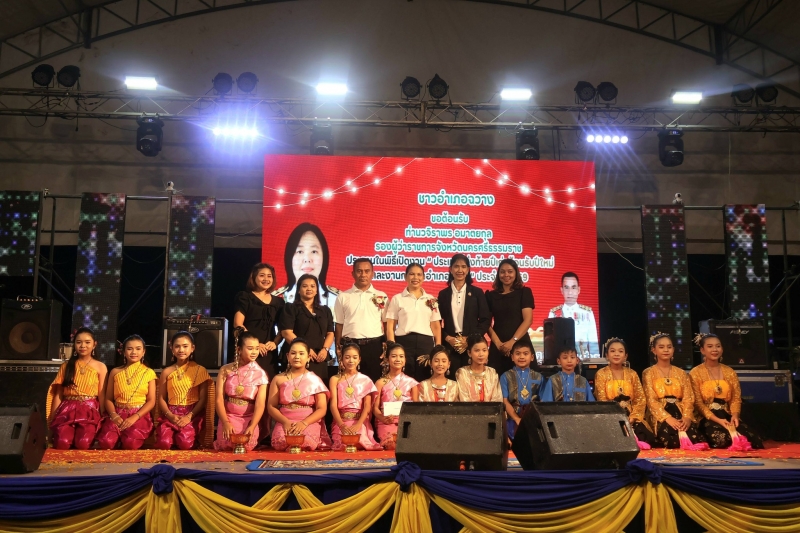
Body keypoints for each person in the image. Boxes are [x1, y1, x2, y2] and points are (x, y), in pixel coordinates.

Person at [690, 333, 764, 449]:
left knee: (754, 440)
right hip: (707, 417)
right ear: (702, 350)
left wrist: (735, 415)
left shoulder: (729, 372)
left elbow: (735, 398)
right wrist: (718, 420)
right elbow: (698, 403)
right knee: (722, 439)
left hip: (726, 413)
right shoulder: (695, 373)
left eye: (718, 346)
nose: (715, 349)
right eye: (710, 346)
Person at [642, 332, 706, 449]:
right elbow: (651, 400)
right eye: (661, 347)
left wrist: (687, 416)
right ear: (654, 350)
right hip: (660, 413)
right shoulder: (648, 373)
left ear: (673, 349)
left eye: (669, 347)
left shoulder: (681, 373)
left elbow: (688, 397)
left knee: (693, 437)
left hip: (679, 410)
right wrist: (667, 418)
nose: (666, 350)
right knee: (671, 440)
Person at [48, 327, 107, 450]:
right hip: (67, 409)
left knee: (83, 443)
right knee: (62, 443)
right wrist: (53, 419)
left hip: (89, 410)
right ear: (74, 344)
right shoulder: (66, 366)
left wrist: (103, 418)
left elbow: (102, 394)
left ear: (94, 344)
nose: (83, 346)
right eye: (79, 342)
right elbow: (59, 394)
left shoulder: (100, 366)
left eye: (87, 342)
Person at [269, 338, 333, 451]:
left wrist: (304, 423)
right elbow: (271, 406)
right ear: (287, 356)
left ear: (308, 357)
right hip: (285, 421)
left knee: (305, 441)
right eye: (293, 353)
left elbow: (322, 409)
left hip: (308, 422)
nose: (297, 357)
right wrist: (285, 422)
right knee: (281, 442)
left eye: (301, 353)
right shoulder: (278, 379)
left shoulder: (315, 380)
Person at [594, 338, 656, 449]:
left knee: (646, 437)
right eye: (612, 351)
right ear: (607, 355)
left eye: (620, 351)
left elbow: (640, 399)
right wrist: (617, 417)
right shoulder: (601, 374)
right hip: (611, 415)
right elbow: (602, 399)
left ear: (625, 356)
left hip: (631, 415)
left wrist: (633, 417)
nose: (616, 354)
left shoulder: (632, 374)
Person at [97, 335, 157, 450]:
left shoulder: (149, 372)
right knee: (106, 443)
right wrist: (114, 415)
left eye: (138, 349)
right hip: (117, 413)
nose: (134, 352)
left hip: (139, 415)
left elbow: (151, 401)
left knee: (130, 444)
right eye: (129, 349)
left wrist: (135, 417)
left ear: (143, 352)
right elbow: (108, 398)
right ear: (124, 352)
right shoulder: (115, 372)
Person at [154, 331, 211, 450]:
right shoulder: (167, 372)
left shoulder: (200, 370)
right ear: (171, 348)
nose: (181, 350)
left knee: (185, 444)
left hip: (192, 413)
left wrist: (189, 416)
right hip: (171, 413)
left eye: (185, 346)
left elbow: (203, 399)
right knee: (164, 443)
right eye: (177, 346)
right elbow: (161, 398)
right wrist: (170, 416)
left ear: (192, 348)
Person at [334, 257, 388, 382]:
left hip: (374, 346)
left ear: (372, 273)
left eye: (367, 271)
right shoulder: (343, 296)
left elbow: (386, 323)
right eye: (359, 271)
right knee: (349, 382)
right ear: (353, 274)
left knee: (374, 381)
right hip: (350, 345)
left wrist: (387, 348)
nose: (363, 275)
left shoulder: (381, 296)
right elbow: (339, 324)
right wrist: (338, 348)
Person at [385, 262, 442, 380]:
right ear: (405, 277)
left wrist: (438, 347)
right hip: (404, 342)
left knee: (425, 376)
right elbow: (390, 326)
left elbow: (436, 326)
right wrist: (392, 347)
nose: (415, 277)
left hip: (425, 344)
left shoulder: (430, 299)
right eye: (411, 274)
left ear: (424, 277)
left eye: (419, 275)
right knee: (404, 377)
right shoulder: (397, 299)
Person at [213, 331, 269, 452]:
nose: (254, 352)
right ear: (239, 349)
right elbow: (219, 399)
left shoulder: (261, 374)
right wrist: (225, 422)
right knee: (225, 445)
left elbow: (260, 404)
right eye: (250, 348)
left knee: (246, 446)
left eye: (257, 348)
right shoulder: (225, 370)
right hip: (229, 416)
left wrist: (253, 425)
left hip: (248, 419)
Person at [438, 254, 491, 374]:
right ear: (450, 269)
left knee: (471, 379)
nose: (460, 270)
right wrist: (448, 338)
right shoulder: (443, 294)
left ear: (468, 270)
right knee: (452, 378)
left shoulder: (477, 293)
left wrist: (469, 339)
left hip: (472, 345)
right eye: (456, 266)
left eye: (463, 266)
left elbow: (485, 320)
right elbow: (437, 322)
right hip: (450, 345)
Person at [279, 274, 335, 383]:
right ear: (298, 290)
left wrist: (325, 349)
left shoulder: (325, 310)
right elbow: (286, 332)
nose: (309, 289)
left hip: (319, 357)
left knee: (318, 387)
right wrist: (306, 349)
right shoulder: (290, 308)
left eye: (312, 286)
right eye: (305, 286)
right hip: (297, 356)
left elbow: (330, 333)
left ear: (317, 290)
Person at [273, 222, 339, 314]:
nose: (307, 259)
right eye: (300, 252)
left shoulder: (337, 299)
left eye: (314, 251)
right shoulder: (277, 299)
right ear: (289, 257)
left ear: (324, 257)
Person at [233, 262, 284, 379]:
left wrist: (275, 343)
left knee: (268, 382)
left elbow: (283, 328)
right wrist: (255, 345)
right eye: (262, 275)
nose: (266, 279)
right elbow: (238, 323)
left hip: (268, 352)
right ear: (254, 277)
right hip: (248, 349)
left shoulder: (279, 302)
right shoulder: (245, 297)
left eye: (269, 276)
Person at [329, 343, 381, 451]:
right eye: (347, 357)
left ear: (359, 359)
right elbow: (333, 405)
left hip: (360, 421)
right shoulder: (335, 379)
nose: (351, 361)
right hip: (341, 421)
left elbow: (367, 406)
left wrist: (358, 424)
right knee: (343, 444)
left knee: (359, 442)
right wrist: (341, 425)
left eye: (354, 357)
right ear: (341, 359)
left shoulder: (365, 380)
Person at [487, 259, 535, 375]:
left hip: (520, 344)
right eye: (502, 272)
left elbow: (528, 320)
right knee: (496, 381)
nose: (506, 275)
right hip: (498, 346)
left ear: (516, 273)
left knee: (525, 381)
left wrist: (512, 341)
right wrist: (498, 344)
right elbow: (486, 322)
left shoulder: (524, 292)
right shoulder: (490, 295)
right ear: (498, 274)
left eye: (510, 271)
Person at [373, 343, 419, 449]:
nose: (398, 359)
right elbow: (375, 408)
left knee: (407, 445)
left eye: (401, 356)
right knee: (392, 444)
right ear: (387, 359)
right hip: (386, 422)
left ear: (405, 360)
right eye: (394, 356)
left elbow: (416, 407)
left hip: (407, 422)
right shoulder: (380, 383)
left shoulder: (412, 383)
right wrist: (383, 418)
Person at [500, 339, 544, 439]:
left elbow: (542, 402)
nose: (522, 357)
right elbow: (505, 401)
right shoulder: (505, 376)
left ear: (532, 357)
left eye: (525, 353)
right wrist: (516, 418)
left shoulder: (539, 377)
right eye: (518, 353)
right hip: (512, 419)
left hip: (533, 420)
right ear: (512, 357)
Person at [548, 272, 598, 358]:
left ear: (578, 290)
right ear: (561, 290)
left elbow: (593, 342)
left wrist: (594, 362)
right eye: (566, 288)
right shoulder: (554, 313)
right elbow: (550, 344)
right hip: (561, 360)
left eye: (573, 287)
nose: (570, 292)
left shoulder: (587, 313)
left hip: (583, 359)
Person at [455, 334, 502, 402]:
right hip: (469, 409)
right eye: (477, 350)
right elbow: (464, 400)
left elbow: (497, 399)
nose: (481, 354)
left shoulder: (492, 372)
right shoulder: (462, 373)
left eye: (484, 350)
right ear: (469, 353)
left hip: (492, 409)